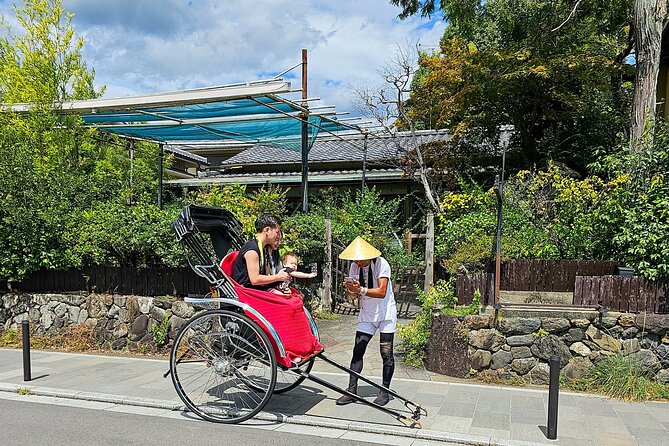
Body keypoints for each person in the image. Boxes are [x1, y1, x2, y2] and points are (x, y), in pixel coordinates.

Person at [335, 236, 397, 407]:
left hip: (385, 312)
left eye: (360, 259)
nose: (358, 262)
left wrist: (360, 289)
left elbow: (382, 291)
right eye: (355, 259)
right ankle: (351, 390)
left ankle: (385, 391)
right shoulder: (354, 266)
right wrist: (351, 289)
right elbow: (354, 295)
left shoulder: (381, 264)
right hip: (367, 312)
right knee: (358, 349)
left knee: (386, 352)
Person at [232, 214, 289, 290]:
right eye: (277, 232)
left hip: (257, 288)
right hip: (245, 291)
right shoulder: (252, 250)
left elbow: (268, 274)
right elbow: (255, 280)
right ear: (267, 230)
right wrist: (278, 277)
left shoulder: (264, 248)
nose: (278, 236)